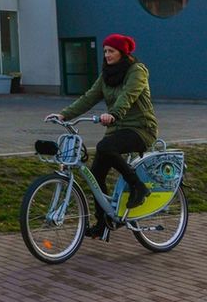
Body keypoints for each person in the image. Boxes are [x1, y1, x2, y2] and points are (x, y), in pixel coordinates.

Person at [45, 33, 158, 239]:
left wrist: (113, 114)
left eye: (111, 51)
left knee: (105, 147)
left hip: (141, 129)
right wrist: (64, 115)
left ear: (122, 53)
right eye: (105, 51)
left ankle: (138, 186)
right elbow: (89, 97)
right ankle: (103, 223)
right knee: (96, 174)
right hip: (117, 130)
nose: (106, 55)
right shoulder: (106, 75)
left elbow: (128, 96)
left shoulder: (136, 71)